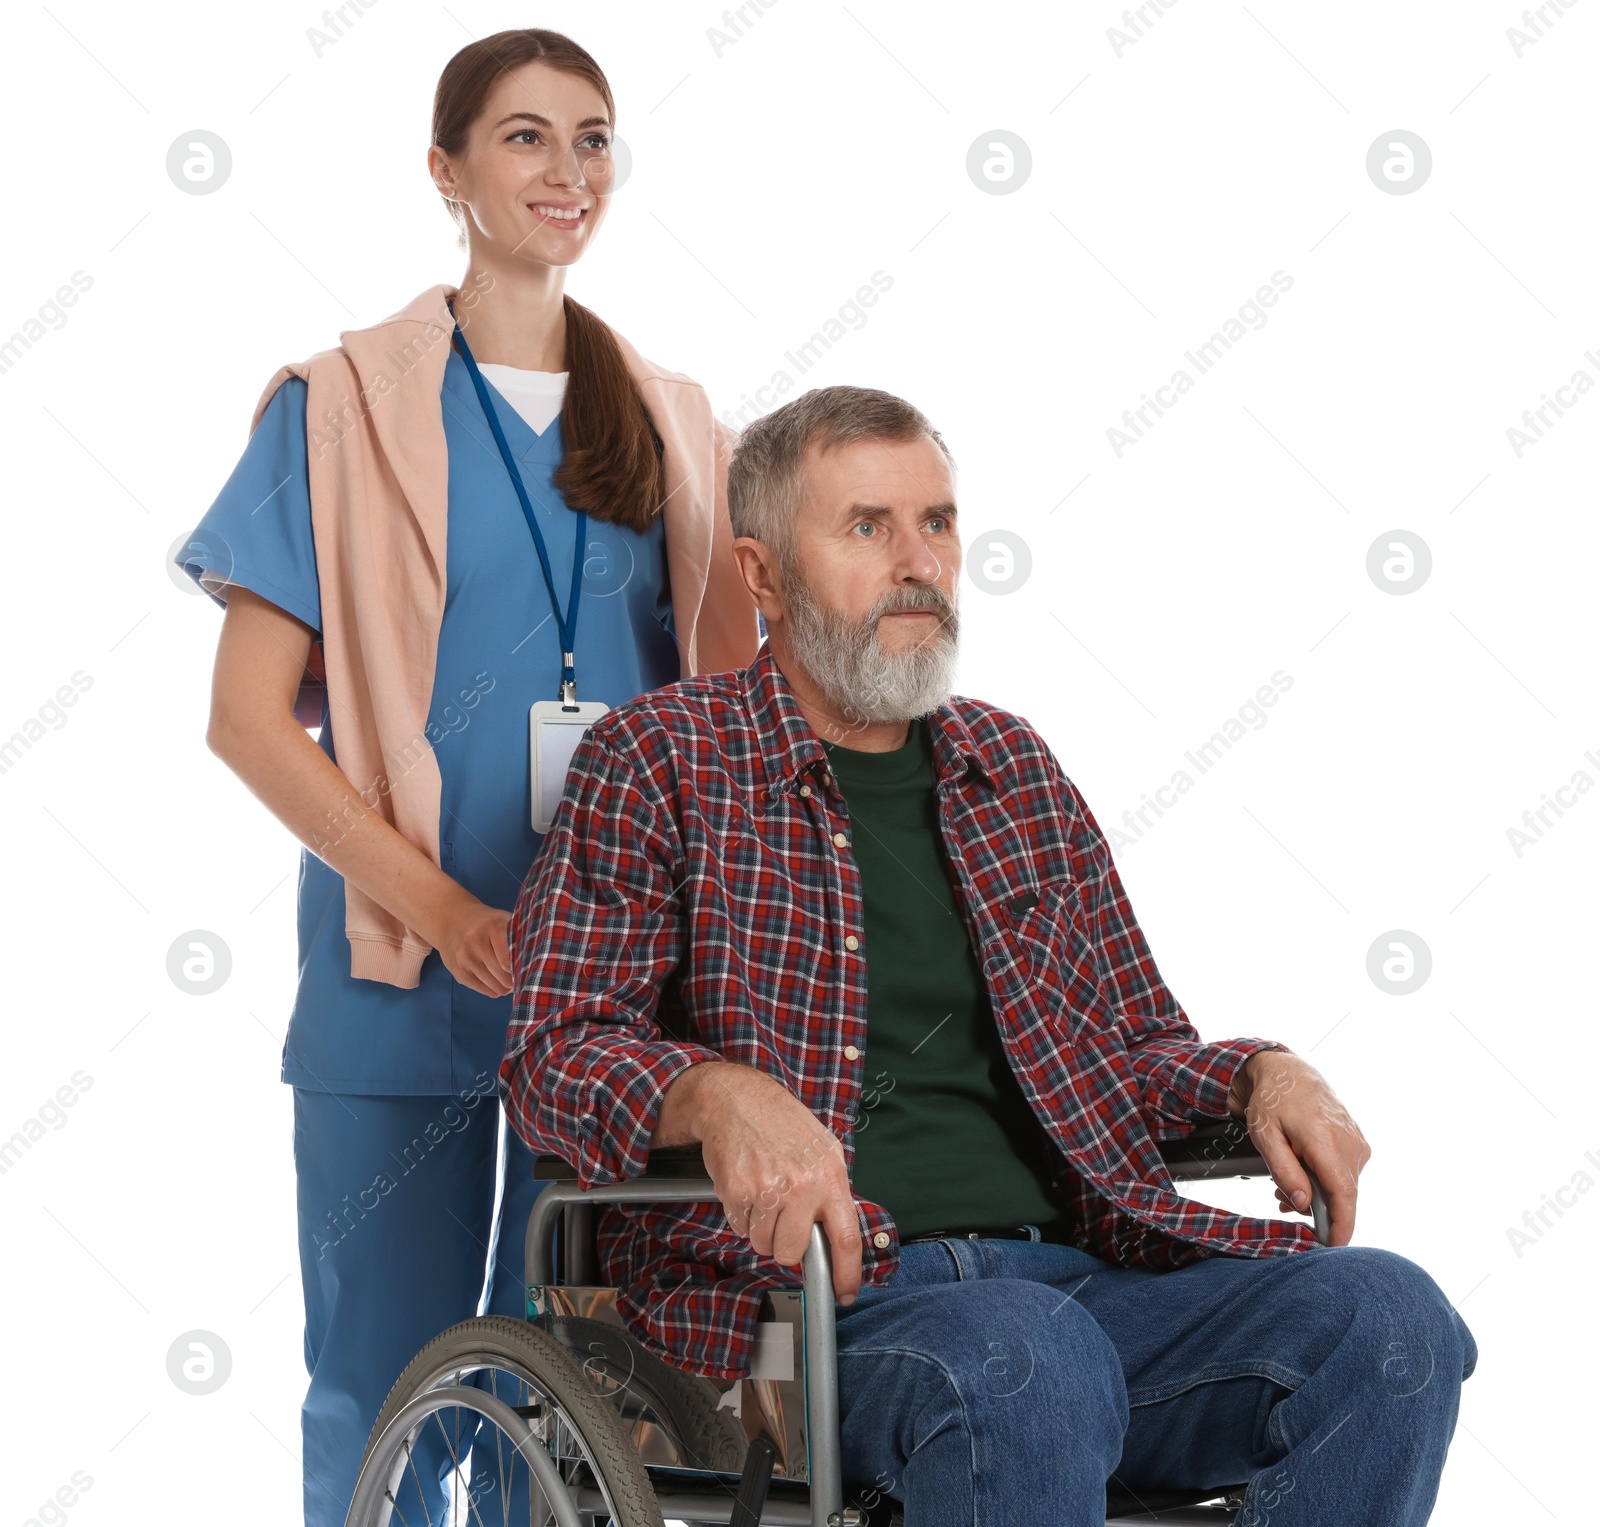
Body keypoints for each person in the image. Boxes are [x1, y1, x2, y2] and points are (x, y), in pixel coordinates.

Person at [499, 384, 1477, 1524]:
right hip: (806, 1312)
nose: (917, 562)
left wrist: (1264, 1074)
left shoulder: (1010, 770)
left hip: (1085, 1283)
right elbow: (551, 1055)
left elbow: (1133, 1056)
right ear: (763, 576)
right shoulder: (659, 760)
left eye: (938, 523)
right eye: (867, 526)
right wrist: (713, 1096)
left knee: (1390, 1321)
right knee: (1024, 1360)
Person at [174, 29, 759, 1526]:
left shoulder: (677, 419)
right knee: (380, 1381)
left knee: (570, 1395)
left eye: (593, 139)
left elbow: (729, 703)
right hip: (399, 968)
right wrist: (438, 903)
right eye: (524, 139)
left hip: (611, 984)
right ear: (446, 171)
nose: (566, 172)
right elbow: (247, 718)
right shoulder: (343, 404)